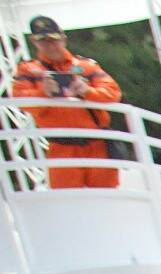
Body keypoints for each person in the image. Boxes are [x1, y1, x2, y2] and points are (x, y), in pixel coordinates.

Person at [9, 16, 120, 190]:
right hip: (61, 146)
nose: (50, 46)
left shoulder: (86, 66)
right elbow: (20, 100)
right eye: (43, 41)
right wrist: (43, 93)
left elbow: (113, 93)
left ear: (63, 39)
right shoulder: (28, 70)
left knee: (106, 196)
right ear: (34, 42)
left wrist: (87, 91)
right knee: (67, 199)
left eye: (54, 40)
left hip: (97, 144)